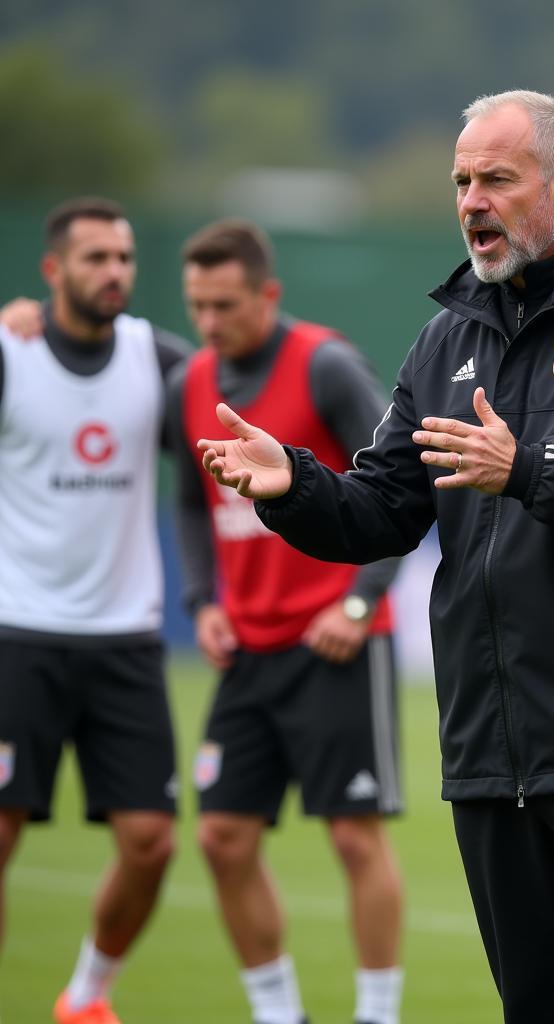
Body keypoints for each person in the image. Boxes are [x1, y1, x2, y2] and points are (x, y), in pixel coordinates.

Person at [196, 90, 554, 1024]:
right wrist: (294, 485)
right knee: (541, 1009)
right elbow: (384, 511)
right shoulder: (452, 333)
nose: (472, 201)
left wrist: (526, 469)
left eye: (496, 179)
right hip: (492, 754)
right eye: (461, 182)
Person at [169, 219, 404, 1024]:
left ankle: (376, 1015)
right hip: (248, 649)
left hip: (334, 641)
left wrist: (359, 600)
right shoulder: (190, 381)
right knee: (222, 838)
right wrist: (203, 604)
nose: (208, 322)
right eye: (196, 305)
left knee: (353, 840)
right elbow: (190, 507)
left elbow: (396, 487)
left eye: (225, 304)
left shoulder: (327, 365)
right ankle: (280, 1016)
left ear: (267, 294)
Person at [0, 197, 191, 1024]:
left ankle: (86, 996)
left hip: (125, 639)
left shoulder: (157, 357)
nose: (114, 272)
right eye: (95, 258)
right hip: (17, 634)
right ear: (53, 271)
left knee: (151, 842)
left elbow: (236, 383)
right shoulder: (10, 355)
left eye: (123, 257)